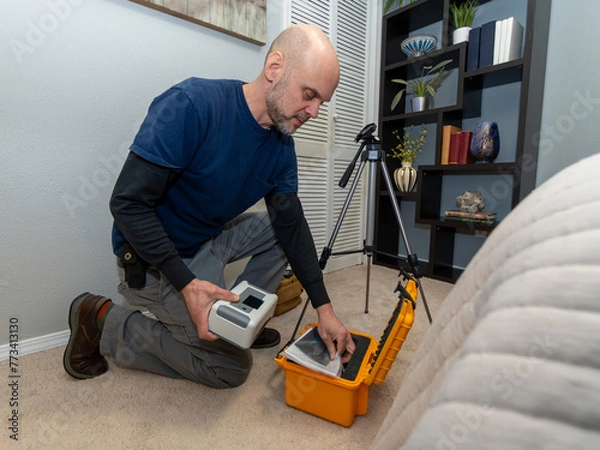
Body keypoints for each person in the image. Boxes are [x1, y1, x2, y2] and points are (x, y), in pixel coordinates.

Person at [63, 24, 356, 388]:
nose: (314, 112)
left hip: (206, 240)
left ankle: (240, 320)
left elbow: (291, 227)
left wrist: (324, 308)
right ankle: (102, 319)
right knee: (229, 369)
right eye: (309, 95)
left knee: (279, 228)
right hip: (155, 261)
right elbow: (127, 204)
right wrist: (187, 285)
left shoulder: (281, 148)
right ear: (275, 67)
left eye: (321, 103)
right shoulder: (192, 105)